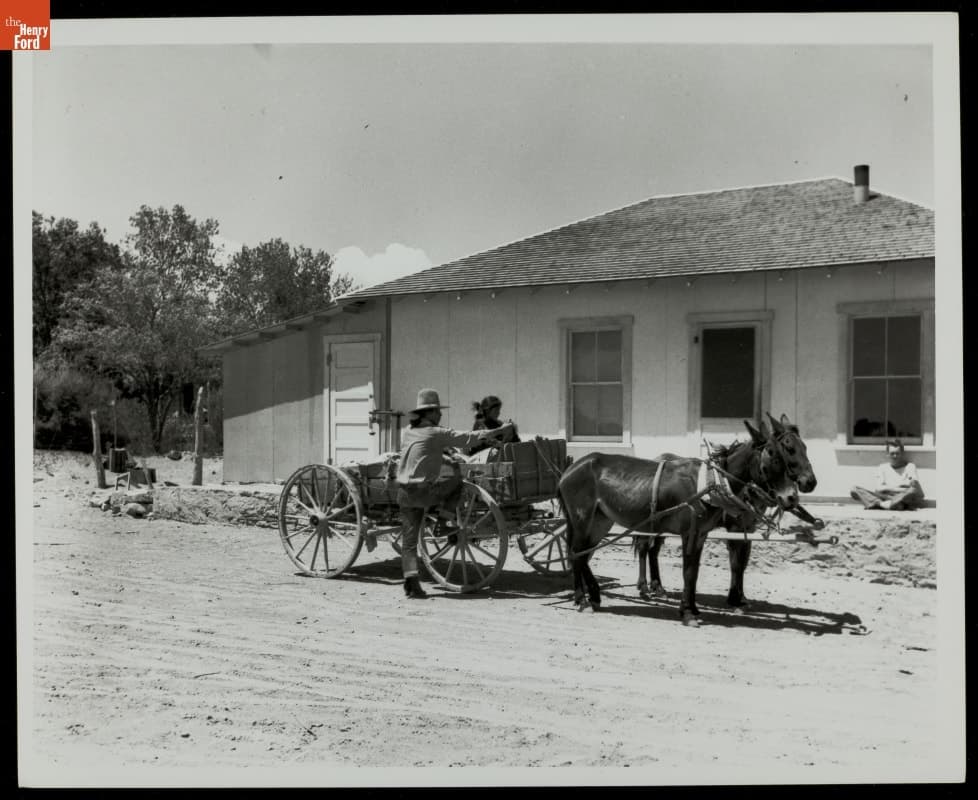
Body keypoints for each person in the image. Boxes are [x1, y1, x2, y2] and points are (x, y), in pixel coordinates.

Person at [396, 388, 515, 599]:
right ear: (429, 413)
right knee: (458, 481)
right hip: (423, 492)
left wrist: (445, 460)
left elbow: (421, 456)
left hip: (404, 492)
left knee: (409, 541)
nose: (441, 414)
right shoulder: (436, 433)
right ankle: (444, 521)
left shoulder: (408, 431)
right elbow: (469, 438)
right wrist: (501, 430)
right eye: (437, 411)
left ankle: (411, 583)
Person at [850, 440, 925, 511]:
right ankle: (886, 504)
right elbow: (879, 488)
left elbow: (914, 487)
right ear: (887, 454)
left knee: (912, 491)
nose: (895, 456)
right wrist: (898, 487)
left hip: (902, 497)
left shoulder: (910, 466)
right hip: (885, 497)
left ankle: (882, 504)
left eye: (897, 453)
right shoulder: (882, 467)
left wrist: (888, 488)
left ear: (902, 454)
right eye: (892, 453)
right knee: (854, 489)